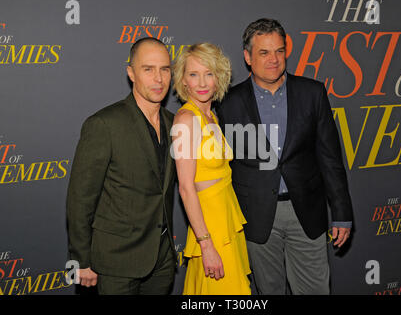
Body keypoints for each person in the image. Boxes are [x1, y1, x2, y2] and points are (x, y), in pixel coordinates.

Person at [216, 18, 354, 295]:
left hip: (306, 210)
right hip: (255, 214)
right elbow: (224, 165)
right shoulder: (228, 102)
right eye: (264, 53)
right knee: (269, 291)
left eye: (279, 51)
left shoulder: (312, 92)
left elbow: (330, 158)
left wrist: (341, 213)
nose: (274, 60)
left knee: (315, 289)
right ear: (247, 57)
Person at [66, 37, 177, 295]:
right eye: (148, 69)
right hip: (116, 261)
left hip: (161, 260)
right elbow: (80, 198)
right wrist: (82, 260)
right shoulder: (104, 124)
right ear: (131, 73)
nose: (158, 79)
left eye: (164, 69)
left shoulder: (175, 124)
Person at [171, 43, 251, 295]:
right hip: (211, 229)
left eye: (209, 73)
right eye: (193, 74)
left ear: (219, 78)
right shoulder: (186, 119)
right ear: (183, 81)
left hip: (226, 219)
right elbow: (185, 188)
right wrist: (206, 245)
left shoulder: (211, 116)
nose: (202, 82)